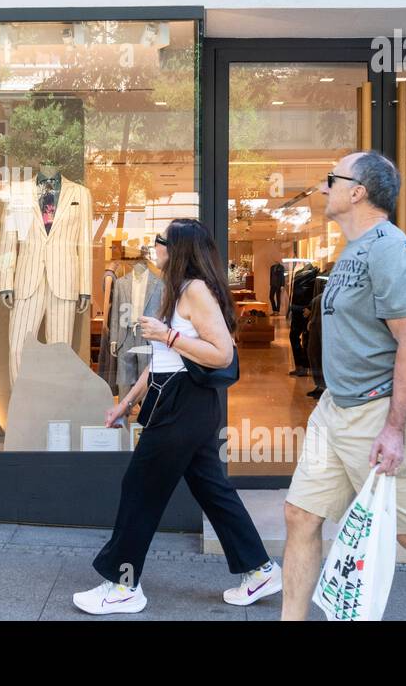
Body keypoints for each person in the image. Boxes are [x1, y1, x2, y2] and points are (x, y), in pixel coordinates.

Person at [280, 151, 406, 621]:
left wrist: (394, 429)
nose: (324, 185)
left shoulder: (391, 249)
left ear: (358, 192)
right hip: (335, 410)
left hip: (376, 413)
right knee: (300, 515)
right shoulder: (352, 248)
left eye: (333, 178)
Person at [74, 218, 278, 615]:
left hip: (185, 403)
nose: (154, 246)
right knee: (211, 489)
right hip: (180, 399)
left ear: (177, 249)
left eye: (160, 240)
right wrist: (127, 402)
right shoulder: (178, 290)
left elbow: (223, 354)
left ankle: (123, 586)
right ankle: (260, 570)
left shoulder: (196, 290)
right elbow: (163, 362)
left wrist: (168, 336)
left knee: (140, 488)